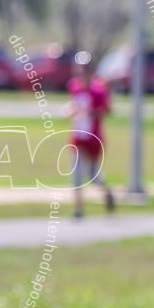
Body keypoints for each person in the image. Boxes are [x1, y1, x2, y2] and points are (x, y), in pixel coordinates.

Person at [65, 54, 115, 218]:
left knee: (93, 175)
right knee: (76, 174)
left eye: (86, 69)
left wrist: (91, 112)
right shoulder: (74, 87)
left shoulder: (98, 90)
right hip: (78, 136)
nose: (82, 73)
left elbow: (107, 111)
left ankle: (107, 192)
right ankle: (78, 208)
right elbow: (73, 105)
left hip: (93, 138)